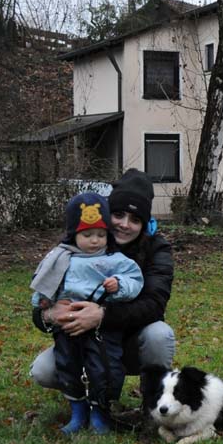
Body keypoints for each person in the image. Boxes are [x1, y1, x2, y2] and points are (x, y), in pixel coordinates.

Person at [31, 169, 177, 400]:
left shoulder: (157, 249)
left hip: (132, 341)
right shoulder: (76, 246)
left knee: (159, 335)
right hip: (81, 339)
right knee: (43, 370)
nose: (125, 225)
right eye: (118, 215)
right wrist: (49, 314)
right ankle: (86, 397)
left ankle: (154, 399)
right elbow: (41, 303)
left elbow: (154, 305)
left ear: (145, 224)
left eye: (135, 219)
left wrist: (102, 315)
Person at [30, 192, 145, 434]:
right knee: (67, 365)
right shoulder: (60, 258)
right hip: (68, 328)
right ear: (74, 234)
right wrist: (44, 304)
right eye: (87, 235)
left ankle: (100, 414)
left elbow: (135, 280)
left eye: (101, 235)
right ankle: (78, 412)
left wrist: (119, 284)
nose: (95, 241)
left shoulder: (114, 259)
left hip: (102, 331)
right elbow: (43, 285)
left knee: (104, 368)